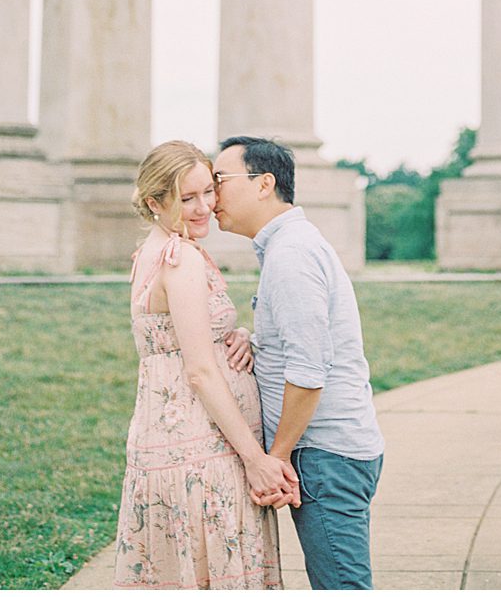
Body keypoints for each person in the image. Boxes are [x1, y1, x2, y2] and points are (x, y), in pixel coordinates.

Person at [114, 139, 298, 590]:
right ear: (155, 202)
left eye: (207, 192)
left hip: (167, 441)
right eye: (186, 198)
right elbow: (197, 369)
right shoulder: (181, 261)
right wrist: (255, 460)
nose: (203, 209)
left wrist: (234, 338)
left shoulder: (153, 254)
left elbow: (179, 341)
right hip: (201, 449)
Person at [212, 136, 385, 591]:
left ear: (264, 183)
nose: (211, 197)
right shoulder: (288, 247)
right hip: (328, 453)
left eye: (220, 180)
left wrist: (278, 456)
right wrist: (255, 340)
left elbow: (310, 372)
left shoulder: (291, 255)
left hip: (323, 456)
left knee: (342, 588)